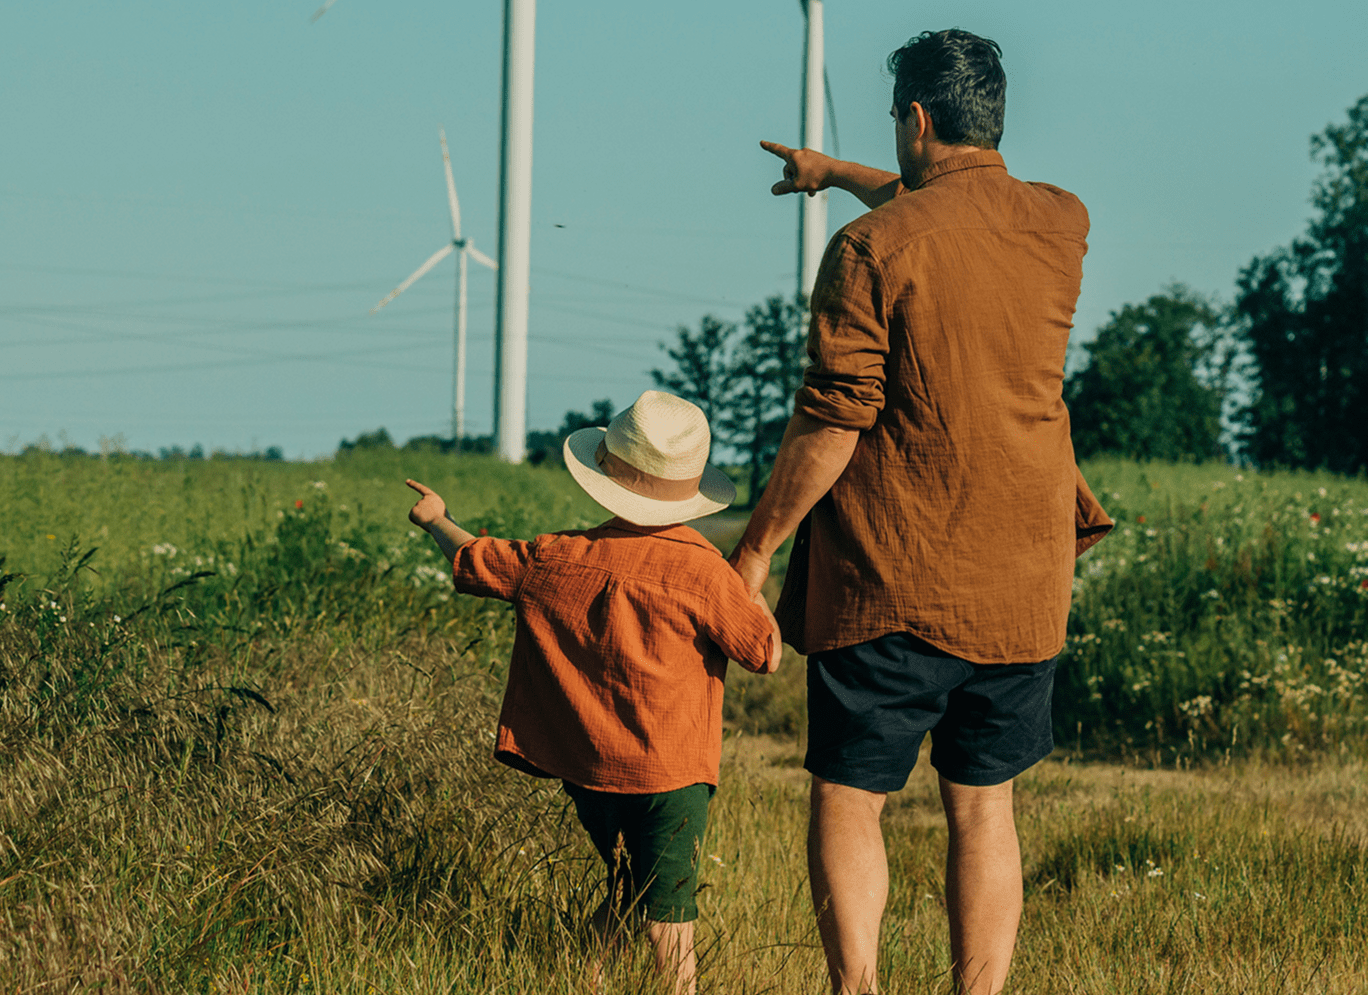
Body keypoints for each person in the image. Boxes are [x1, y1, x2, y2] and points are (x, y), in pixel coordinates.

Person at [731, 29, 1114, 995]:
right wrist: (836, 170)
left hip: (897, 571)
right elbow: (949, 210)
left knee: (849, 794)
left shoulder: (867, 248)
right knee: (984, 807)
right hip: (1024, 577)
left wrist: (758, 545)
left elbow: (833, 421)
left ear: (913, 117)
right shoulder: (1060, 223)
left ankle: (857, 987)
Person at [406, 389, 781, 994]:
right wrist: (753, 584)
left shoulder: (553, 555)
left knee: (631, 891)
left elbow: (473, 560)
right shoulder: (707, 572)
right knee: (671, 922)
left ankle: (583, 977)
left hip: (586, 772)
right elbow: (764, 654)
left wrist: (435, 520)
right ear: (689, 489)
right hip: (669, 777)